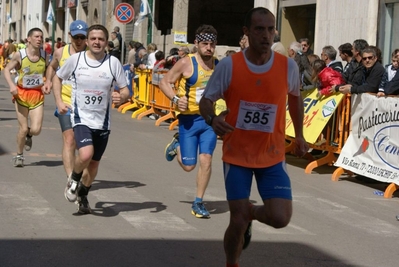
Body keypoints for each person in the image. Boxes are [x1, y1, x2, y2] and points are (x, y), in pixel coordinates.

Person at [198, 7, 308, 266]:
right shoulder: (229, 65)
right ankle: (232, 262)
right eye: (259, 29)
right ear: (246, 33)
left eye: (271, 29)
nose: (266, 35)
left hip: (272, 155)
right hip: (237, 155)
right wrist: (212, 119)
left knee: (280, 218)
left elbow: (295, 99)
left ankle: (250, 213)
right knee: (235, 220)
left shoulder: (287, 66)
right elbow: (207, 101)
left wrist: (300, 135)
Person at [52, 24, 130, 214]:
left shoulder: (113, 63)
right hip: (81, 117)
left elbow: (126, 89)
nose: (97, 42)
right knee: (85, 154)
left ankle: (83, 193)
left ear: (106, 42)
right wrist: (59, 101)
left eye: (101, 39)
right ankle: (74, 179)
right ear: (87, 41)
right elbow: (57, 78)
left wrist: (123, 97)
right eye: (93, 38)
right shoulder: (76, 60)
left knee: (94, 164)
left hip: (102, 121)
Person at [159, 24, 219, 218]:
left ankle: (198, 202)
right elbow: (164, 82)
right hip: (188, 121)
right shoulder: (186, 63)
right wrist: (176, 99)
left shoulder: (219, 65)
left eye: (211, 44)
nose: (208, 48)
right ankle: (177, 145)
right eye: (204, 43)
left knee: (206, 159)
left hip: (209, 120)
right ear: (196, 44)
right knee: (188, 166)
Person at [42, 20, 88, 177]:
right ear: (70, 36)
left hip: (85, 105)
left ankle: (78, 172)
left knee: (80, 144)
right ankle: (71, 179)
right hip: (66, 101)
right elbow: (52, 67)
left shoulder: (92, 54)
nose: (79, 41)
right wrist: (48, 80)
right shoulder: (61, 52)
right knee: (69, 140)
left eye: (83, 37)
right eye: (76, 37)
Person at [3, 28, 50, 167]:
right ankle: (19, 155)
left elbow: (48, 70)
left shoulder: (44, 54)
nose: (39, 39)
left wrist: (47, 81)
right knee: (22, 129)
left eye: (41, 37)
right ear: (28, 39)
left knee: (36, 129)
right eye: (36, 36)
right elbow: (6, 69)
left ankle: (29, 136)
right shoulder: (20, 55)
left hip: (37, 95)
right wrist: (11, 85)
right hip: (21, 94)